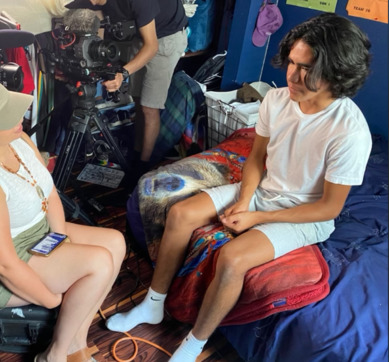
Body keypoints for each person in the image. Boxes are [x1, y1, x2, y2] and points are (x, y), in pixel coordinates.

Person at [104, 13, 372, 361]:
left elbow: (328, 209)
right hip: (264, 190)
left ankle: (193, 344)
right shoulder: (276, 101)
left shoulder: (349, 131)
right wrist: (245, 200)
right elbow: (257, 158)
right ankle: (153, 304)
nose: (292, 75)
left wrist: (256, 218)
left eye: (307, 69)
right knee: (181, 213)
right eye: (291, 62)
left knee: (232, 258)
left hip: (306, 215)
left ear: (337, 73)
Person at [0, 74, 126, 362]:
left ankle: (74, 343)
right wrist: (50, 299)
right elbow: (2, 263)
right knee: (98, 264)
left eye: (11, 107)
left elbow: (49, 193)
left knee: (115, 242)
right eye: (4, 117)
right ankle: (52, 356)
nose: (19, 118)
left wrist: (58, 239)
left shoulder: (18, 139)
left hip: (33, 232)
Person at [81, 0, 188, 179]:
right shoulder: (94, 2)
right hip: (140, 35)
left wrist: (122, 73)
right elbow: (99, 30)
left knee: (149, 107)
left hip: (166, 37)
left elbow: (152, 46)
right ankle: (137, 154)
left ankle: (143, 168)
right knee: (138, 101)